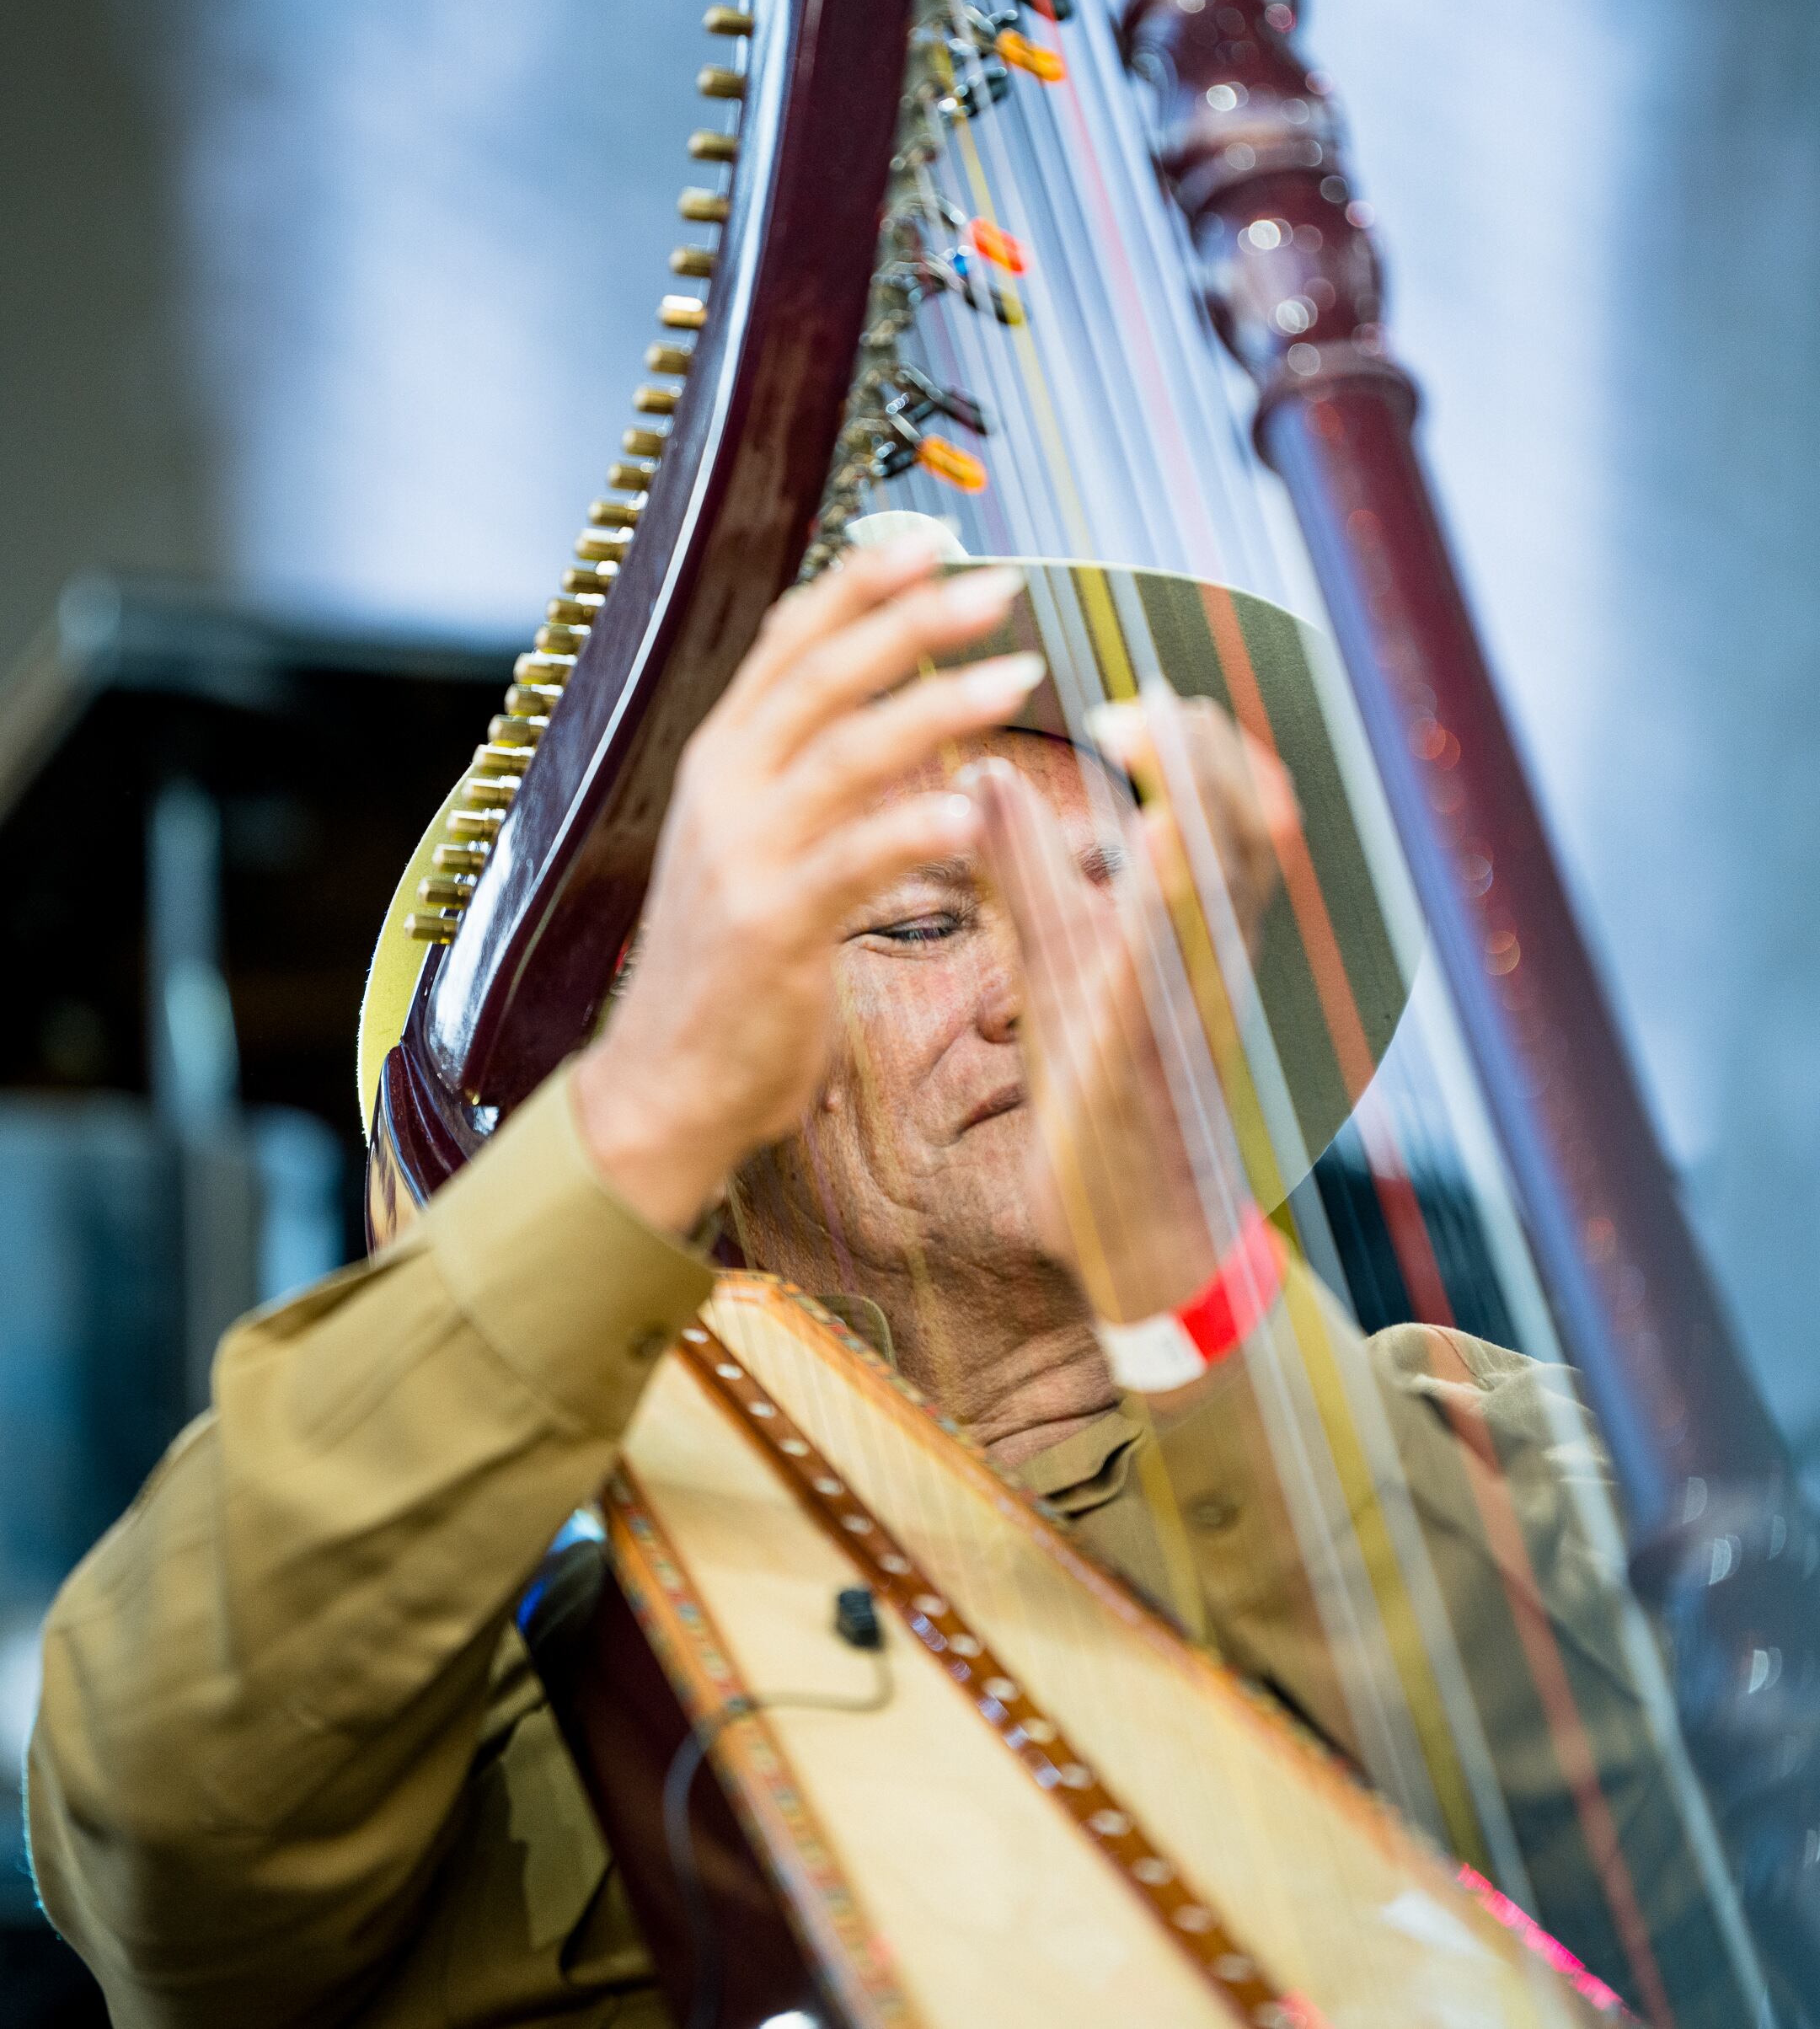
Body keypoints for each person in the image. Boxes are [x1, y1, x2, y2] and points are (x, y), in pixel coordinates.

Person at [27, 532, 1737, 2025]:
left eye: (1103, 897)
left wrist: (1192, 1288)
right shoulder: (506, 1729)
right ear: (729, 1090)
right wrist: (638, 1116)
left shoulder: (1476, 1440)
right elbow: (161, 1824)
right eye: (925, 924)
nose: (1042, 988)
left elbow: (1706, 1871)